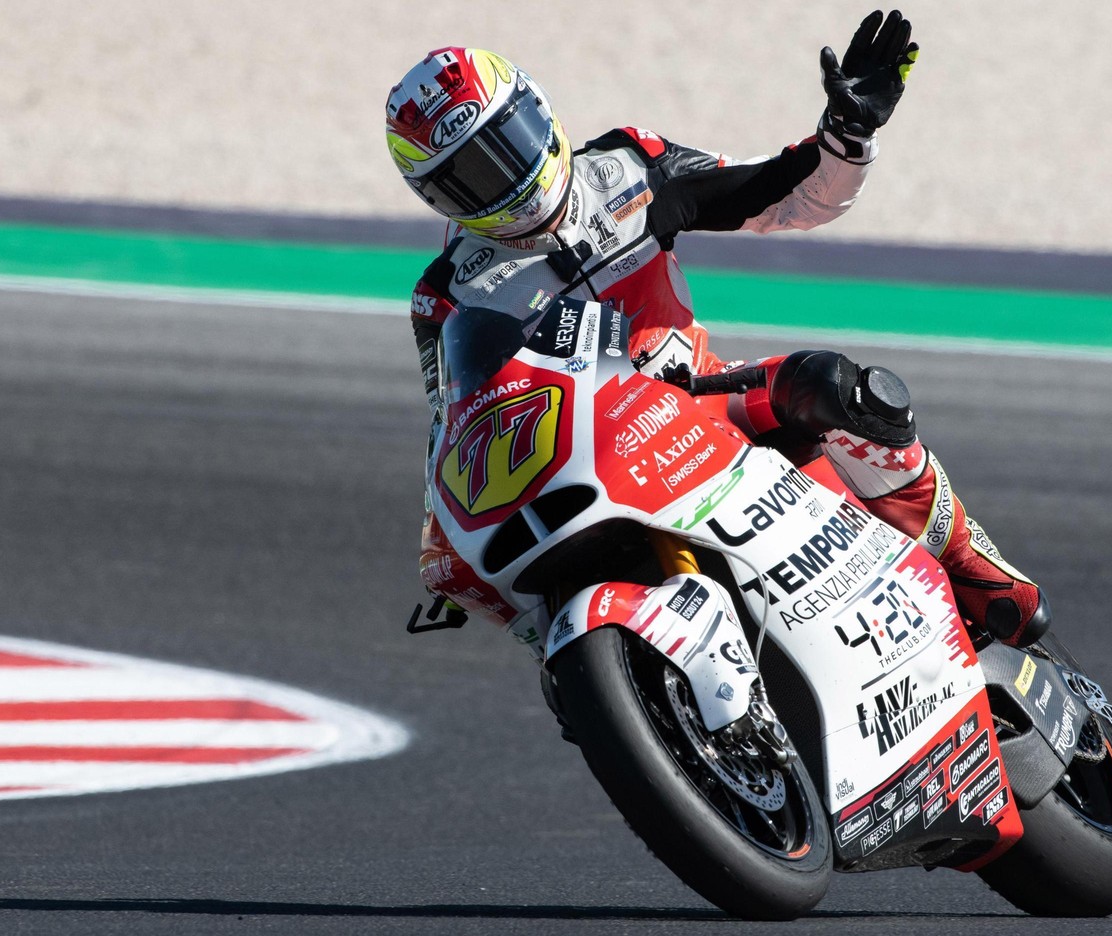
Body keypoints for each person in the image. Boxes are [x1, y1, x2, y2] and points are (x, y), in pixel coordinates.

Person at [385, 10, 1049, 648]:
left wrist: (846, 135)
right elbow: (457, 430)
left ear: (540, 114)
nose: (507, 177)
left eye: (510, 144)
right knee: (512, 588)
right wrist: (444, 547)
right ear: (438, 196)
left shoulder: (629, 167)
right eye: (471, 175)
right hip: (583, 459)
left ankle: (967, 564)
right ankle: (584, 680)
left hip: (703, 402)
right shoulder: (449, 292)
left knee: (838, 389)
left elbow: (787, 196)